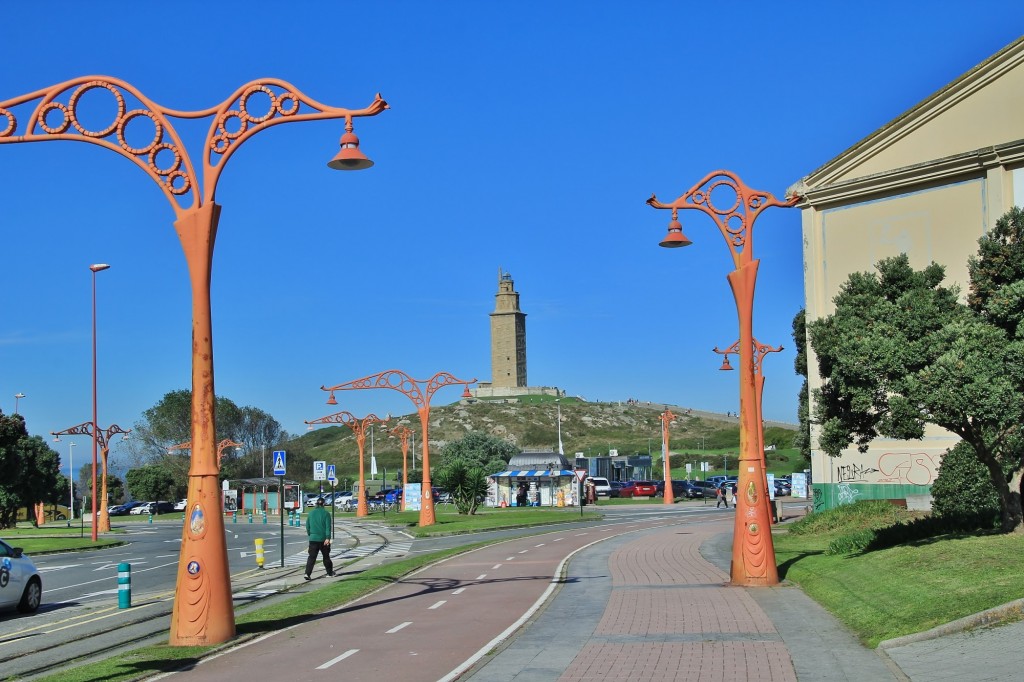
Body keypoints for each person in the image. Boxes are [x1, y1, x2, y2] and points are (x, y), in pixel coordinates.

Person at [304, 497, 334, 580]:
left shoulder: (311, 513)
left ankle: (307, 573)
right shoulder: (326, 513)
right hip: (323, 539)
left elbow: (307, 526)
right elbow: (328, 527)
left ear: (316, 504)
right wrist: (328, 538)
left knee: (311, 557)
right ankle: (329, 572)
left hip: (313, 538)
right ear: (323, 504)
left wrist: (310, 534)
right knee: (326, 557)